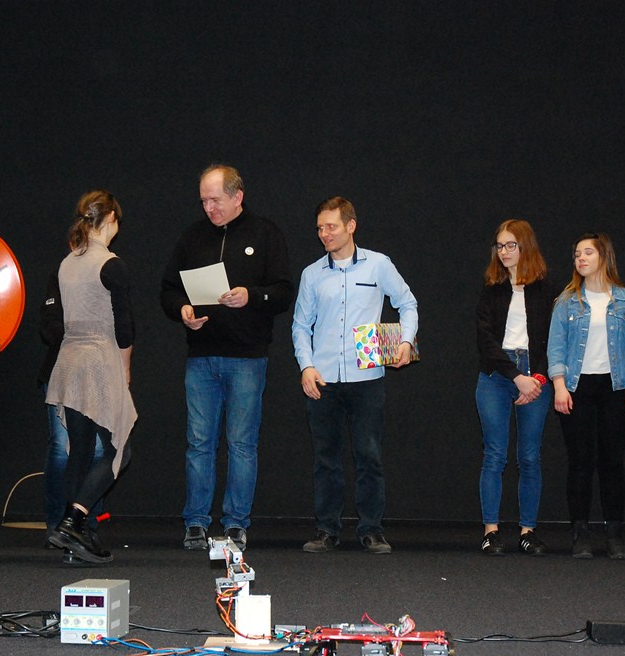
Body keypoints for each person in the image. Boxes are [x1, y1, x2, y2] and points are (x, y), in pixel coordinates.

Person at [160, 165, 292, 552]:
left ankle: (236, 524)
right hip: (201, 357)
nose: (209, 208)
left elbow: (284, 291)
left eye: (215, 200)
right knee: (199, 443)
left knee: (241, 444)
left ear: (238, 196)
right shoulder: (192, 236)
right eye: (203, 201)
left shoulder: (265, 233)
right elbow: (168, 290)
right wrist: (182, 309)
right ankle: (196, 522)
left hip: (247, 358)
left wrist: (252, 295)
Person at [292, 197, 418, 554]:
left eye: (331, 226)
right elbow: (300, 325)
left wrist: (405, 341)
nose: (324, 233)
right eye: (320, 228)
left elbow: (407, 303)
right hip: (323, 379)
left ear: (351, 226)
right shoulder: (312, 274)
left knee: (369, 455)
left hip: (367, 378)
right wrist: (306, 366)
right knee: (325, 458)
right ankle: (327, 529)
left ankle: (372, 529)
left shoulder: (379, 265)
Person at [47, 190, 136, 564]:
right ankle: (73, 520)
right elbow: (125, 328)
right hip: (99, 361)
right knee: (119, 450)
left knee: (80, 451)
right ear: (111, 218)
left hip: (68, 361)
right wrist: (125, 369)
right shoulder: (112, 264)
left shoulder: (66, 263)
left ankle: (74, 533)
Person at [547, 233, 625, 559]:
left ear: (604, 256)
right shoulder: (566, 301)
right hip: (577, 387)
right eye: (577, 254)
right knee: (580, 461)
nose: (581, 258)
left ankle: (614, 534)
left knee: (612, 462)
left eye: (588, 252)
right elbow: (556, 348)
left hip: (616, 387)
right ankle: (580, 534)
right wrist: (559, 386)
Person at [475, 219, 555, 556]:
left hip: (535, 377)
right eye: (500, 246)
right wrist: (516, 376)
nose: (504, 252)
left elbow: (554, 340)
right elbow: (485, 339)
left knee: (530, 457)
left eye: (511, 245)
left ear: (526, 247)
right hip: (496, 375)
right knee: (494, 454)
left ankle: (528, 531)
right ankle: (491, 531)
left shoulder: (546, 290)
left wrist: (537, 378)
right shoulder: (492, 288)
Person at [38, 269, 106, 565]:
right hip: (62, 372)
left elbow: (122, 328)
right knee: (61, 449)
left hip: (99, 375)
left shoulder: (108, 272)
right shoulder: (62, 275)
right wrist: (79, 331)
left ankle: (85, 526)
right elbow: (49, 327)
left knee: (100, 452)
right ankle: (57, 524)